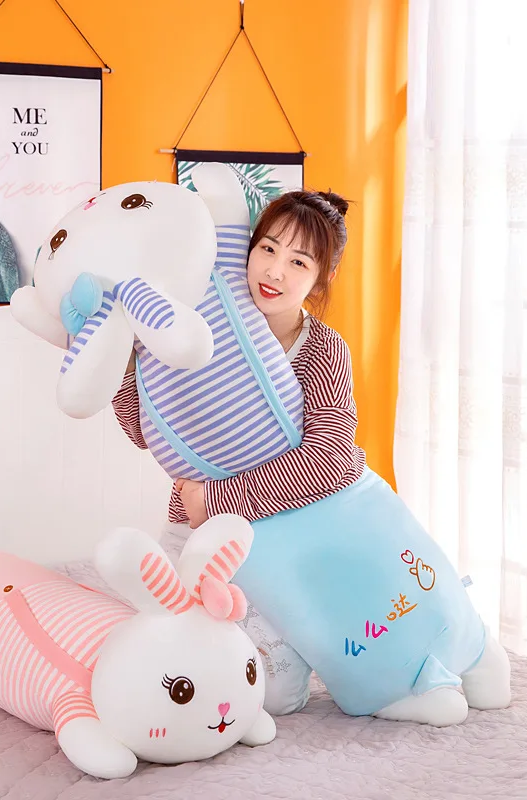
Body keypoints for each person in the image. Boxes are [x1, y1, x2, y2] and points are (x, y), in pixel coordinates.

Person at [111, 188, 363, 715]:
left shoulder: (322, 349)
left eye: (298, 262)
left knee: (271, 695)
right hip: (193, 529)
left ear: (323, 278)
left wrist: (217, 499)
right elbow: (142, 430)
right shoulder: (198, 323)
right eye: (267, 248)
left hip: (283, 539)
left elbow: (332, 457)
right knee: (151, 663)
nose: (274, 271)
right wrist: (126, 356)